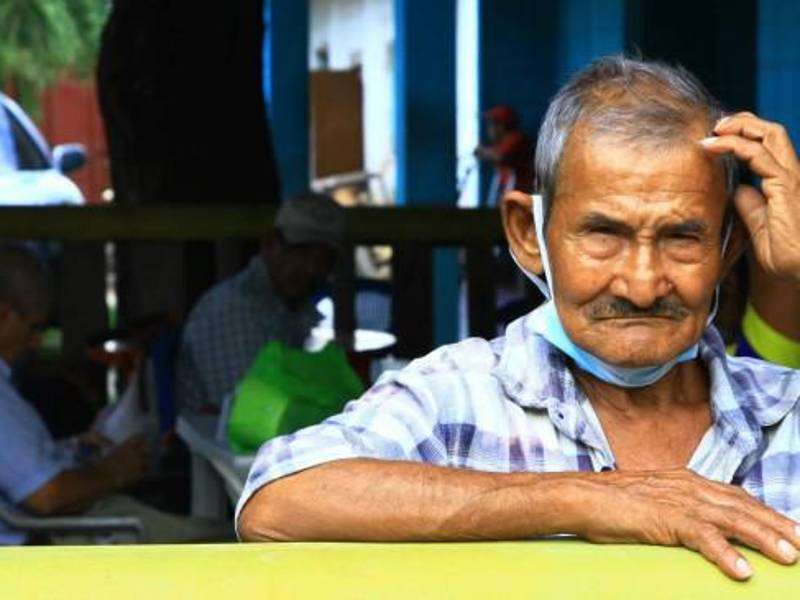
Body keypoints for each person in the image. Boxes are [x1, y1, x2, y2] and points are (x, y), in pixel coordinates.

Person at [237, 56, 800, 582]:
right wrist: (590, 500)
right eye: (603, 235)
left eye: (683, 238)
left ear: (727, 250)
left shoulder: (786, 412)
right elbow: (277, 498)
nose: (643, 285)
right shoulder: (461, 394)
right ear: (529, 236)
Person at [0, 244, 231, 544]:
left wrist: (68, 448)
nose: (35, 343)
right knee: (220, 539)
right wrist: (113, 471)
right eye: (33, 328)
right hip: (49, 538)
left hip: (56, 527)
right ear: (2, 314)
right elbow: (48, 497)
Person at [176, 192, 345, 413]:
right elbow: (248, 412)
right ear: (269, 244)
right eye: (302, 253)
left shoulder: (290, 306)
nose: (313, 269)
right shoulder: (235, 310)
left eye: (324, 260)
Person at [474, 105, 535, 206]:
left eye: (492, 124)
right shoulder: (501, 144)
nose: (489, 128)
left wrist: (482, 151)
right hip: (511, 195)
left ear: (502, 126)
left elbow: (502, 157)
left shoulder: (516, 139)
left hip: (521, 198)